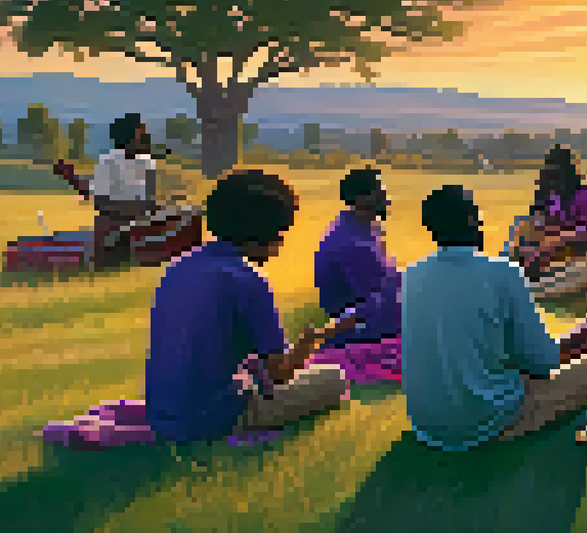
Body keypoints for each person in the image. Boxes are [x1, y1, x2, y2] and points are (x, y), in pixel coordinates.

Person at [145, 170, 354, 443]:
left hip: (161, 414)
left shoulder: (180, 266)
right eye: (281, 234)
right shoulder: (248, 279)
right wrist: (310, 342)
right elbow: (280, 374)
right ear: (265, 233)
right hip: (210, 417)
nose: (281, 245)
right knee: (334, 379)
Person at [404, 185, 587, 449]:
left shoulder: (412, 276)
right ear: (473, 220)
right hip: (483, 420)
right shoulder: (503, 273)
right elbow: (545, 363)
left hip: (425, 422)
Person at [313, 167, 401, 350]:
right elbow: (377, 303)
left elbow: (389, 280)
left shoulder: (363, 227)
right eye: (379, 191)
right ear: (361, 199)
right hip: (359, 337)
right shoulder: (352, 244)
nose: (385, 196)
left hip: (368, 321)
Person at [511, 145, 587, 286]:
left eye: (557, 170)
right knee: (520, 231)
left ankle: (531, 273)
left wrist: (556, 239)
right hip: (549, 250)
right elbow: (535, 222)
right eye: (550, 170)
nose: (553, 176)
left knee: (551, 243)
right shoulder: (546, 194)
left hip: (585, 253)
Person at [91, 114, 161, 267]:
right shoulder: (108, 161)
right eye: (141, 131)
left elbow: (150, 200)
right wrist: (134, 208)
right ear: (133, 135)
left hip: (141, 223)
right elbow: (100, 202)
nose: (146, 134)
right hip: (114, 223)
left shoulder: (148, 162)